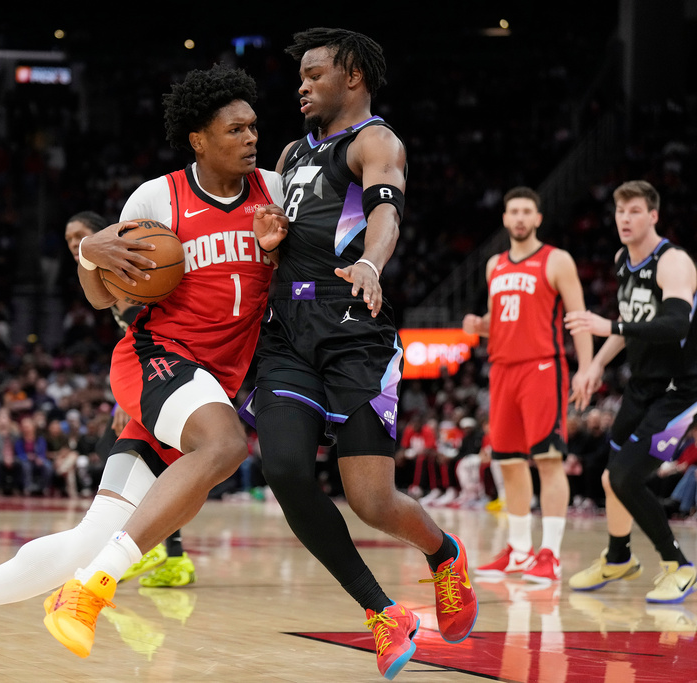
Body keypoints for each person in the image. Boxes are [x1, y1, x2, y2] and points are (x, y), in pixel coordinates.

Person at [0, 64, 282, 678]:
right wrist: (91, 256)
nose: (251, 138)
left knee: (87, 540)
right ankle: (94, 587)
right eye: (236, 128)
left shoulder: (275, 192)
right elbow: (103, 299)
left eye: (254, 126)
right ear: (199, 138)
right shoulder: (156, 197)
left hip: (209, 388)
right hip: (155, 363)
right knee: (226, 444)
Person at [247, 28, 478, 679]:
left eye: (314, 74)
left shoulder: (376, 142)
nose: (301, 84)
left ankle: (443, 553)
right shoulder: (291, 151)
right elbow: (291, 233)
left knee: (372, 501)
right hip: (288, 332)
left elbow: (386, 213)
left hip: (355, 330)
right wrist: (271, 241)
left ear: (352, 77)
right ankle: (382, 610)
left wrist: (373, 263)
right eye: (300, 75)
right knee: (287, 470)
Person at [564, 179, 697, 603]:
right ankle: (619, 557)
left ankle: (678, 564)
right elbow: (629, 318)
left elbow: (676, 323)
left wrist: (611, 327)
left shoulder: (673, 262)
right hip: (641, 387)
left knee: (625, 477)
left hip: (679, 391)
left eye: (635, 210)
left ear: (653, 215)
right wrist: (595, 365)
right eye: (620, 210)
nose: (625, 218)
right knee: (610, 478)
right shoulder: (624, 259)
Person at [462, 186, 593, 586]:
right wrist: (480, 327)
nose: (519, 218)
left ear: (538, 218)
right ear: (504, 219)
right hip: (501, 370)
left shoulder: (557, 260)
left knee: (549, 460)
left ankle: (549, 554)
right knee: (509, 462)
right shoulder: (494, 265)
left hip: (542, 369)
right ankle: (519, 552)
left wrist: (587, 367)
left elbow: (579, 317)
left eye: (526, 212)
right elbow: (500, 318)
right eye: (513, 211)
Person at [65, 211, 195, 587]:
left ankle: (154, 546)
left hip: (169, 375)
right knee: (150, 463)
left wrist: (133, 397)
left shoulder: (126, 276)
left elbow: (150, 332)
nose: (75, 243)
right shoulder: (104, 278)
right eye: (69, 239)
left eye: (81, 235)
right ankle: (172, 555)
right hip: (159, 375)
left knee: (128, 455)